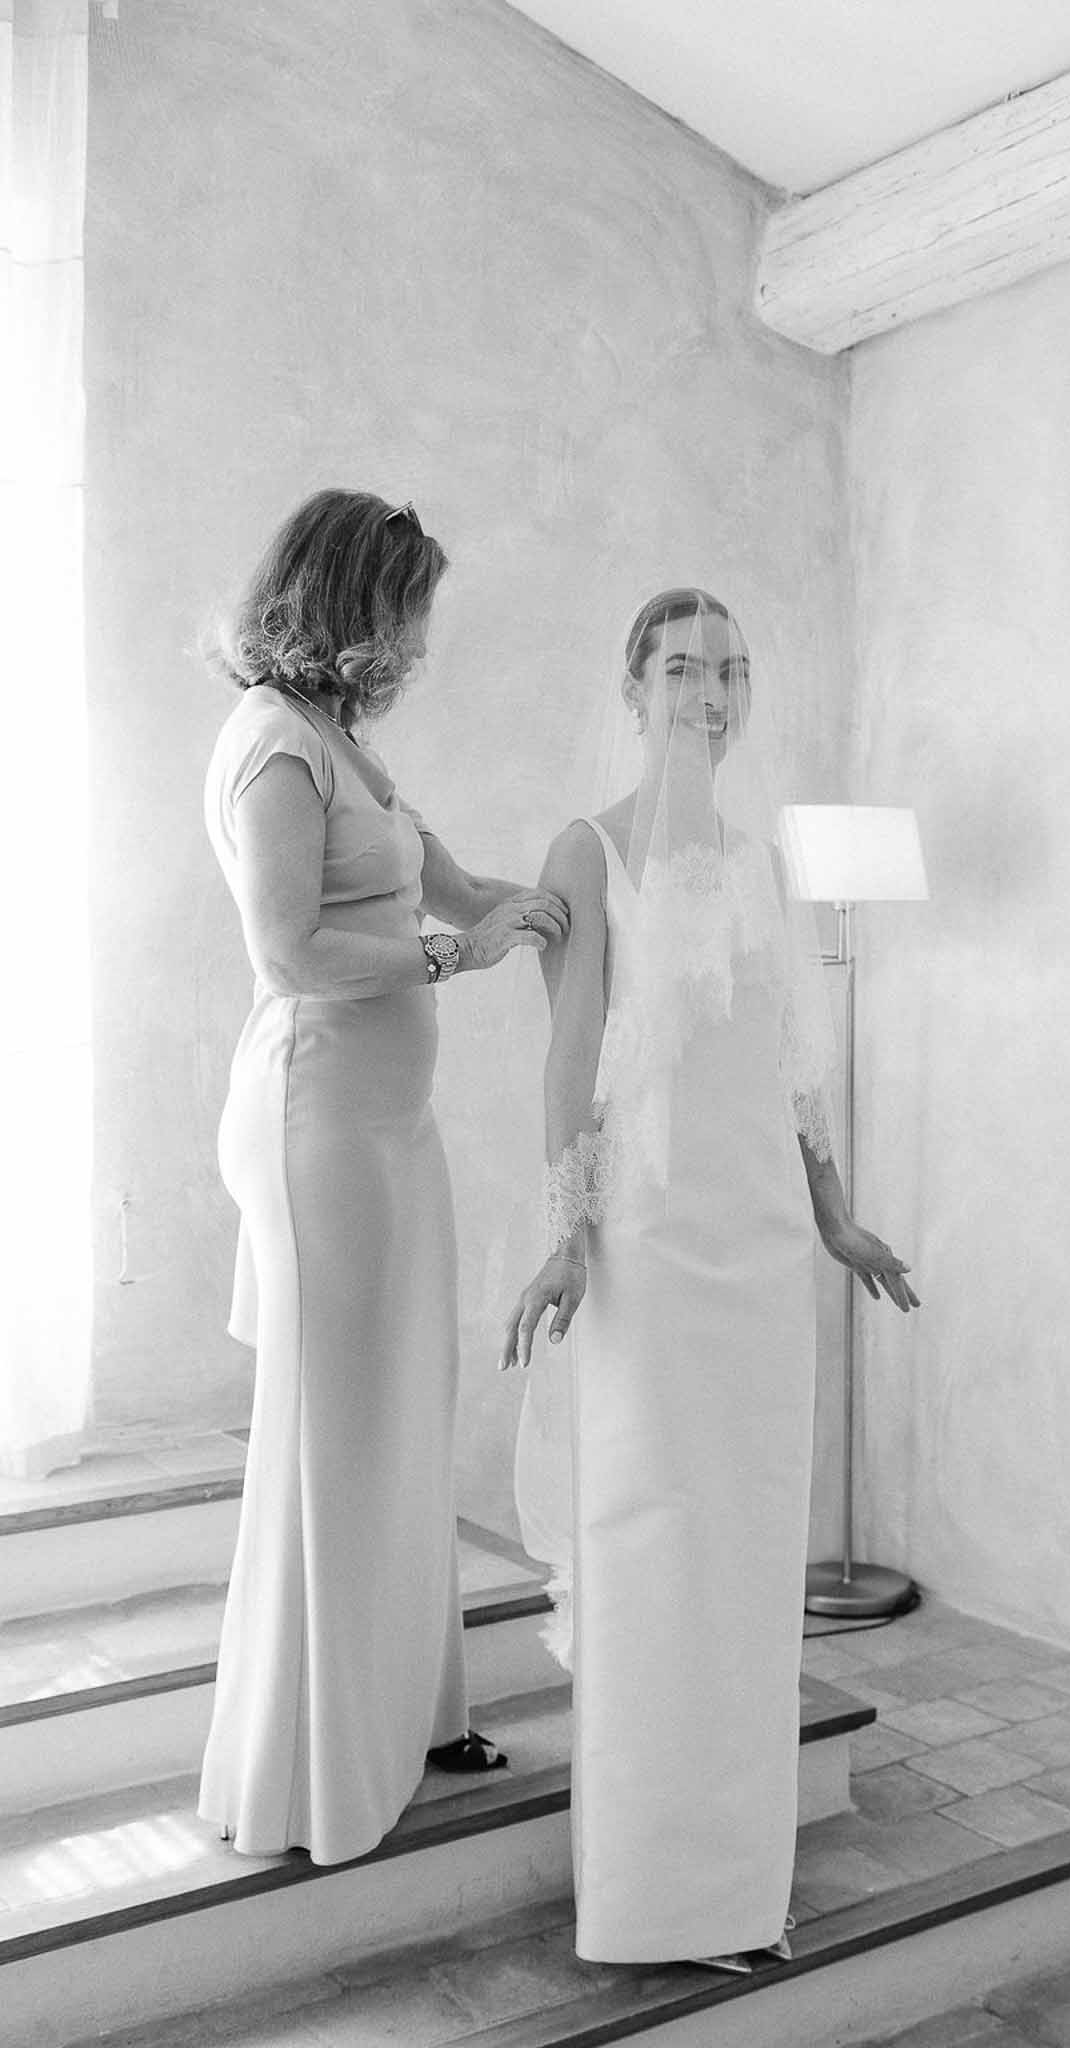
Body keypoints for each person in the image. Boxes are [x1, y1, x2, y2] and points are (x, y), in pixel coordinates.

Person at [501, 588, 917, 1969]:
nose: (713, 693)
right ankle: (643, 1905)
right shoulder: (587, 850)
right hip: (650, 1265)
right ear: (633, 683)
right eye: (684, 668)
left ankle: (737, 1895)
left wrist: (839, 1217)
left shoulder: (759, 861)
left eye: (732, 669)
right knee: (649, 1566)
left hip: (760, 1264)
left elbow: (795, 1062)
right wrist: (567, 1235)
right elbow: (570, 1062)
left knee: (741, 1582)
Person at [199, 488, 568, 1865]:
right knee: (340, 1425)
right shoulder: (271, 750)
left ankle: (407, 1715)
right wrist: (443, 959)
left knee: (406, 1414)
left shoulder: (347, 746)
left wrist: (562, 904)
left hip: (387, 1125)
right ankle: (314, 1759)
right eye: (407, 606)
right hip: (316, 1124)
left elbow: (463, 890)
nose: (418, 637)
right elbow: (290, 955)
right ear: (351, 601)